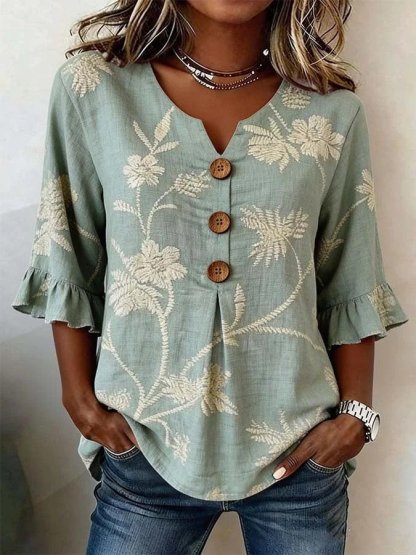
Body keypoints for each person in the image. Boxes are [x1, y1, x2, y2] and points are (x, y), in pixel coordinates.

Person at [11, 0, 409, 553]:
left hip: (299, 454)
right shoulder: (95, 89)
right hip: (144, 446)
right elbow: (68, 248)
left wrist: (354, 419)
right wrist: (81, 404)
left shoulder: (332, 113)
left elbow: (349, 275)